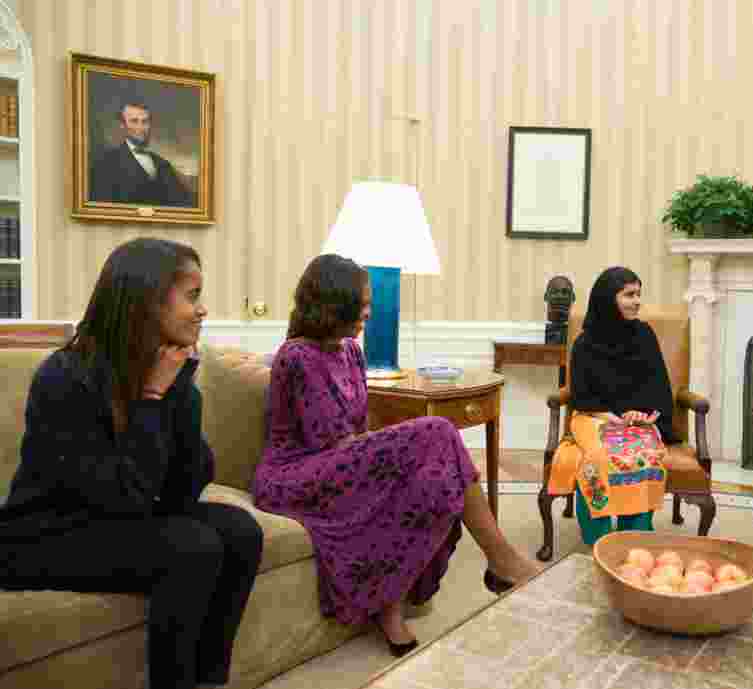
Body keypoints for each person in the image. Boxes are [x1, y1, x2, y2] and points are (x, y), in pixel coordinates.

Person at [0, 238, 263, 689]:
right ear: (146, 300)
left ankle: (209, 681)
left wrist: (178, 392)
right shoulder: (64, 378)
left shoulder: (161, 372)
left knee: (240, 531)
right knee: (191, 545)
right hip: (41, 534)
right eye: (192, 296)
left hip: (114, 517)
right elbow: (124, 497)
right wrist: (154, 399)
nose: (202, 310)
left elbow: (184, 489)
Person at [251, 254, 541, 658]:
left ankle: (390, 605)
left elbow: (358, 429)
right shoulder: (295, 356)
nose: (369, 310)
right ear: (334, 303)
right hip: (295, 475)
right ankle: (502, 561)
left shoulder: (352, 351)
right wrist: (394, 451)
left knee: (432, 472)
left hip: (339, 461)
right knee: (437, 432)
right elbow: (327, 439)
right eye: (362, 301)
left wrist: (390, 454)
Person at [547, 267, 676, 546]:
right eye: (629, 294)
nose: (637, 301)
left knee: (642, 455)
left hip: (638, 422)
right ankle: (600, 540)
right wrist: (613, 418)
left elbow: (658, 385)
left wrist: (641, 415)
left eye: (639, 294)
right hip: (594, 417)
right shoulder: (584, 344)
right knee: (598, 458)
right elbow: (581, 396)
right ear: (608, 298)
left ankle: (634, 537)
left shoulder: (645, 335)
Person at [90, 102, 195, 207]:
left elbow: (183, 203)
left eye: (145, 122)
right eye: (134, 121)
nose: (141, 128)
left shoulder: (163, 164)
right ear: (122, 125)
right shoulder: (105, 163)